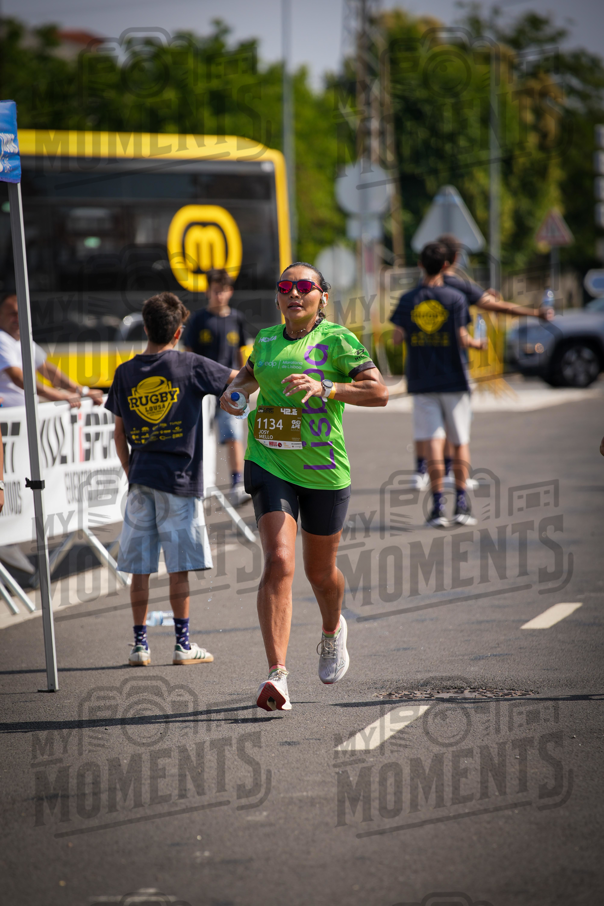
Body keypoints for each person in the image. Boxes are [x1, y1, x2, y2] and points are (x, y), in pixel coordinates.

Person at [220, 262, 388, 712]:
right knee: (278, 560)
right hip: (269, 459)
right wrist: (235, 394)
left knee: (320, 574)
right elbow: (249, 375)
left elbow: (379, 391)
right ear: (277, 298)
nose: (294, 293)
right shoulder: (268, 340)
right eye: (285, 287)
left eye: (304, 287)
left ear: (322, 297)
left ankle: (333, 630)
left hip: (323, 470)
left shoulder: (337, 340)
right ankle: (277, 675)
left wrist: (327, 387)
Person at [105, 292, 236, 667]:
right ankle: (182, 645)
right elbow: (236, 379)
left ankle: (140, 646)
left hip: (141, 480)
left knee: (140, 569)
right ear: (179, 332)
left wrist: (132, 470)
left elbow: (118, 432)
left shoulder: (125, 372)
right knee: (178, 568)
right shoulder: (190, 365)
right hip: (180, 481)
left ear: (145, 328)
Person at [408, 235, 554, 490]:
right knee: (457, 430)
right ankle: (455, 479)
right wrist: (536, 313)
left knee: (430, 429)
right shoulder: (459, 288)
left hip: (421, 372)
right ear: (453, 260)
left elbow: (400, 332)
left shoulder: (416, 291)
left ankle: (424, 473)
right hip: (455, 370)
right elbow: (498, 308)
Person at [391, 242, 486, 528]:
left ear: (420, 264)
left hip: (422, 380)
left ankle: (436, 507)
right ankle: (460, 504)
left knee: (432, 442)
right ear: (447, 266)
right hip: (455, 380)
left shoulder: (408, 299)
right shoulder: (455, 298)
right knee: (459, 442)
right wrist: (477, 343)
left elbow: (396, 338)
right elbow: (461, 337)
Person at [183, 268, 251, 507]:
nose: (219, 296)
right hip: (201, 390)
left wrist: (245, 386)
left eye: (223, 291)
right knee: (199, 437)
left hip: (229, 388)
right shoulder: (198, 320)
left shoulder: (237, 319)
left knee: (233, 435)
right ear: (207, 291)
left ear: (230, 292)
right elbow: (188, 354)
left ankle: (237, 484)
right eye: (215, 291)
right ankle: (196, 485)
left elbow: (240, 354)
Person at [0, 292, 104, 408]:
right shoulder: (1, 339)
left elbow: (47, 371)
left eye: (22, 313)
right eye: (13, 314)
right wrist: (59, 396)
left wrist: (82, 392)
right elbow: (18, 378)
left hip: (21, 418)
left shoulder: (21, 341)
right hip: (9, 419)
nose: (18, 318)